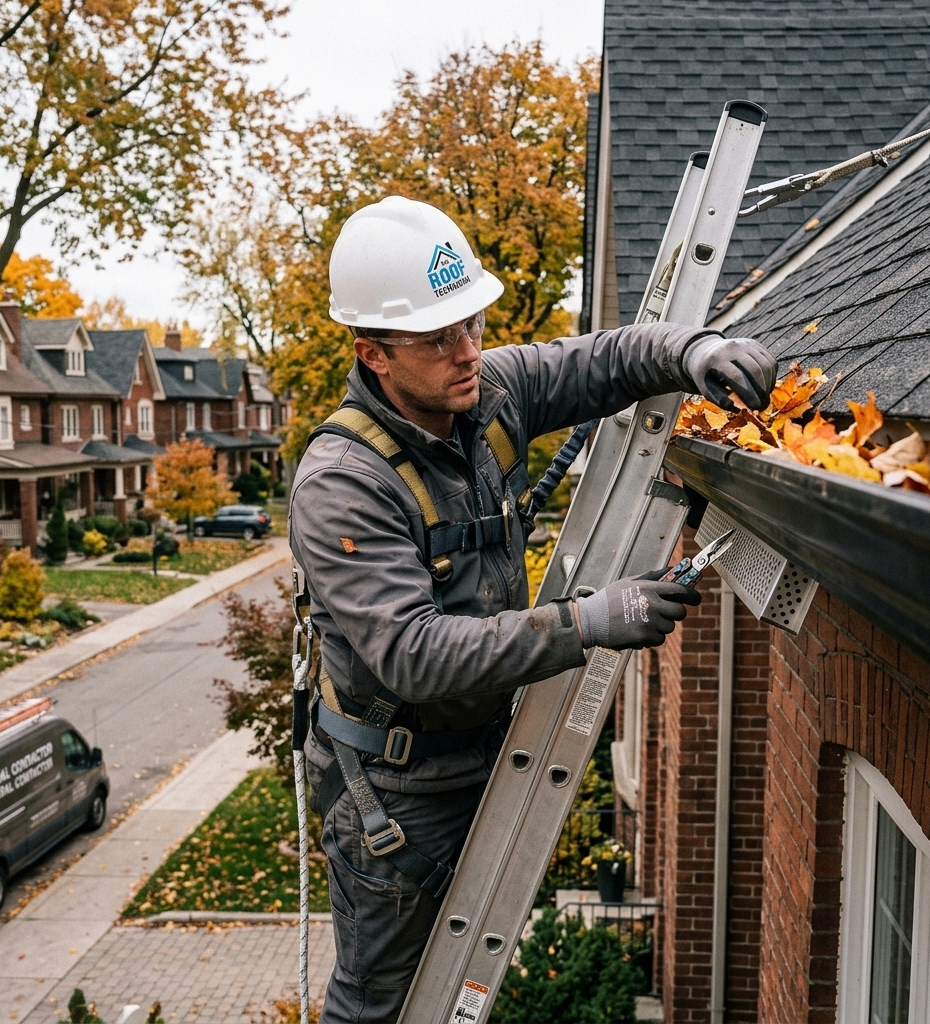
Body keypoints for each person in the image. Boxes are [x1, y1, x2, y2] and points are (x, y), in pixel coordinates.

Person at [290, 195, 775, 1023]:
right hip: (395, 792)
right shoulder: (344, 485)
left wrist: (697, 349)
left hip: (480, 745)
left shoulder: (487, 393)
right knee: (378, 1004)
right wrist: (585, 623)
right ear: (373, 353)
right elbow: (411, 652)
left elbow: (607, 358)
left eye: (472, 325)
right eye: (439, 338)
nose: (467, 352)